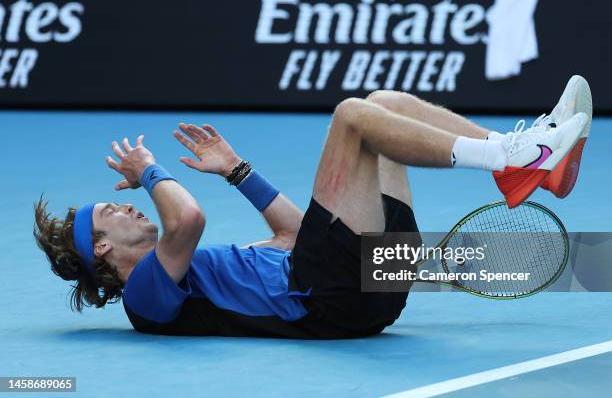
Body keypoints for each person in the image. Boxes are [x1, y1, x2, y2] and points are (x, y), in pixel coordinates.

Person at [33, 76, 591, 339]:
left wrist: (237, 171)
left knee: (383, 105)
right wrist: (148, 172)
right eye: (112, 212)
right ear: (101, 249)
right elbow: (188, 218)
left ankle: (518, 161)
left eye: (121, 203)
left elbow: (302, 233)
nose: (128, 209)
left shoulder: (211, 273)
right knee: (351, 115)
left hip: (364, 282)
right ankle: (518, 160)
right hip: (334, 297)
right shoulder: (145, 298)